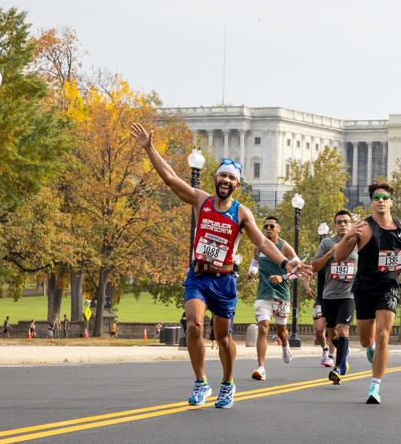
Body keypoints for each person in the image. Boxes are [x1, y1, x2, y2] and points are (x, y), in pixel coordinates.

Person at [131, 123, 310, 409]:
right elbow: (170, 178)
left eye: (231, 177)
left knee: (224, 337)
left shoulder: (242, 212)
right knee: (193, 325)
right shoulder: (201, 200)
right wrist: (149, 148)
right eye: (222, 175)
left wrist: (288, 261)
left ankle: (227, 383)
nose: (225, 180)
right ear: (215, 179)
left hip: (225, 281)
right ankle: (201, 382)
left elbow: (263, 243)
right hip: (198, 276)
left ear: (237, 184)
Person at [334, 180, 401, 404]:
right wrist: (349, 236)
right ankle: (371, 348)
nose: (381, 201)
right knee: (367, 340)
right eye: (376, 198)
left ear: (391, 202)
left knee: (383, 334)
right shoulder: (362, 227)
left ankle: (375, 386)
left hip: (389, 286)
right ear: (371, 203)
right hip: (365, 287)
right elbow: (338, 256)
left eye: (385, 197)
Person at [247, 215, 303, 380]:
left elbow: (298, 269)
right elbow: (255, 263)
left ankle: (285, 345)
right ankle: (261, 368)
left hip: (281, 294)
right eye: (266, 227)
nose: (268, 229)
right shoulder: (258, 246)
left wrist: (283, 277)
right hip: (263, 293)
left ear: (278, 228)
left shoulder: (284, 247)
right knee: (263, 328)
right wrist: (252, 272)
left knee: (281, 331)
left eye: (272, 226)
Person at [312, 209, 357, 384]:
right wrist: (331, 253)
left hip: (349, 295)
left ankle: (337, 368)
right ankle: (343, 354)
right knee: (331, 332)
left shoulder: (358, 243)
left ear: (351, 224)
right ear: (334, 225)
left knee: (342, 330)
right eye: (339, 222)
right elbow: (315, 267)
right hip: (329, 295)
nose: (343, 225)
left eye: (346, 221)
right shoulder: (326, 243)